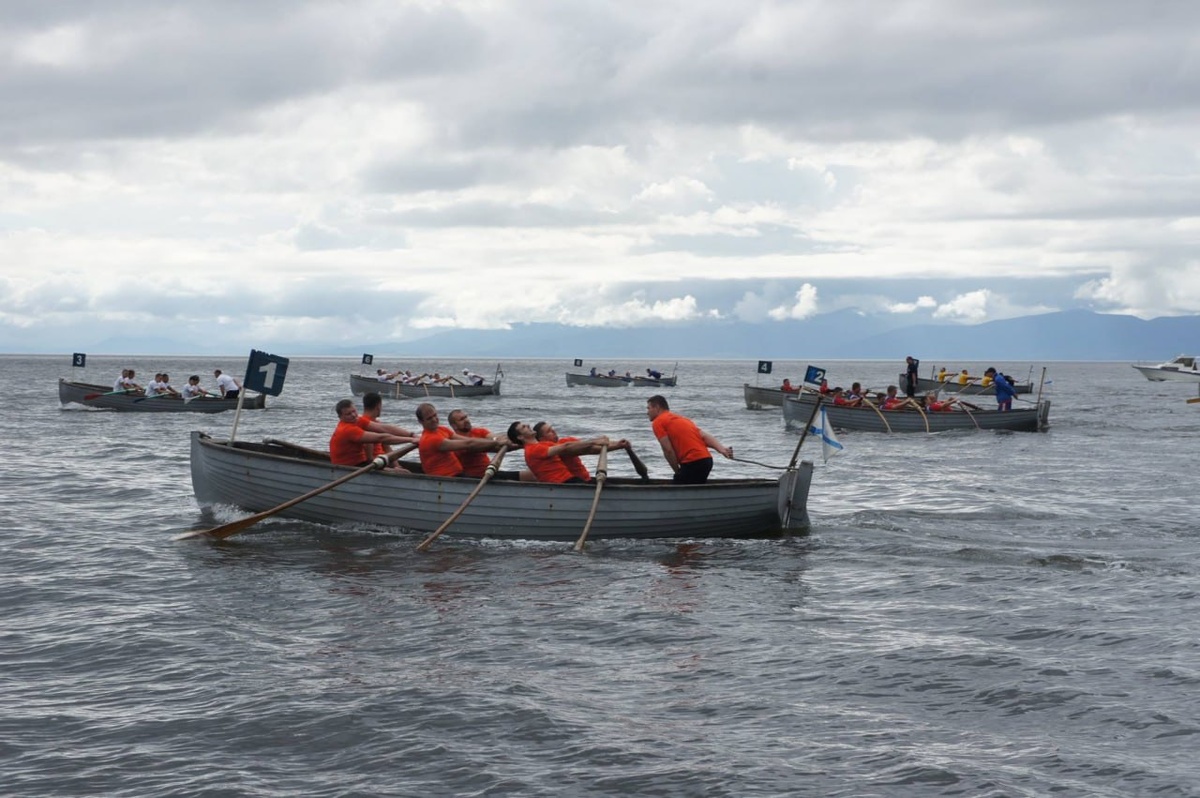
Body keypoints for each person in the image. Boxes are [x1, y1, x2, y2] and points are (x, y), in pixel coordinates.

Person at [646, 395, 731, 484]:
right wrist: (721, 449)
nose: (647, 412)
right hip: (707, 461)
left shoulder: (658, 422)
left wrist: (677, 471)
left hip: (693, 462)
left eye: (649, 408)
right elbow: (704, 436)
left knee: (678, 488)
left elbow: (668, 450)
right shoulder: (682, 419)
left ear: (657, 407)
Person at [506, 421, 623, 484]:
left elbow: (587, 449)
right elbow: (565, 448)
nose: (527, 425)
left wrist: (617, 445)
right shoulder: (533, 450)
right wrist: (595, 440)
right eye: (523, 427)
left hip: (570, 481)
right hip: (563, 484)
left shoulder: (542, 445)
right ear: (520, 437)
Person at [415, 402, 505, 477]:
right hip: (448, 479)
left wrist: (498, 441)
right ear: (421, 422)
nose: (434, 419)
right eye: (429, 418)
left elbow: (467, 440)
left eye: (435, 415)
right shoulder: (431, 439)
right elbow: (468, 444)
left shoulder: (442, 429)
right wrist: (496, 442)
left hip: (459, 475)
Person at [329, 399, 415, 467]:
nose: (353, 415)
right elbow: (381, 438)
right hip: (349, 466)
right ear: (340, 417)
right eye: (348, 414)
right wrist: (411, 440)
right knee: (399, 472)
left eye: (354, 411)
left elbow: (383, 428)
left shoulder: (357, 420)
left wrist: (412, 435)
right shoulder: (347, 429)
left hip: (362, 462)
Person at [447, 408, 523, 480]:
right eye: (461, 419)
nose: (466, 420)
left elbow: (495, 438)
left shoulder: (480, 431)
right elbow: (490, 448)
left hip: (490, 473)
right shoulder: (455, 441)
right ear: (454, 426)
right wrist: (500, 443)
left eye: (466, 417)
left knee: (529, 476)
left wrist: (521, 443)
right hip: (471, 478)